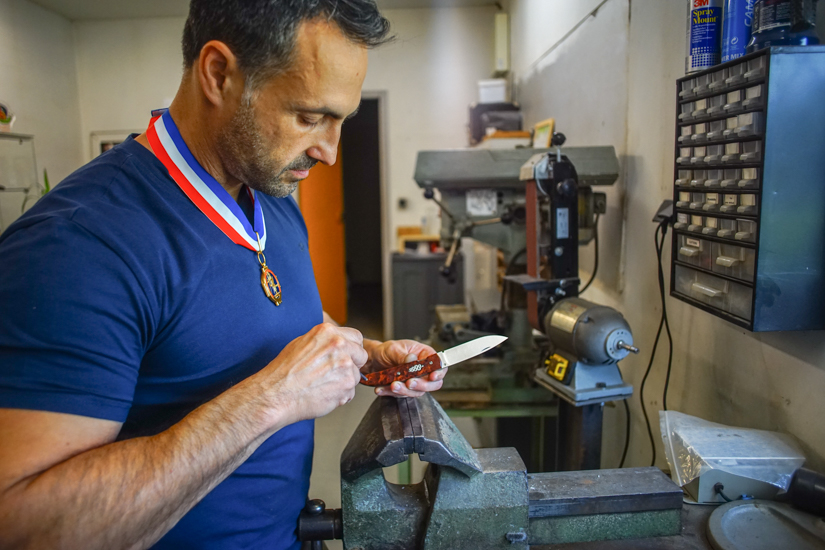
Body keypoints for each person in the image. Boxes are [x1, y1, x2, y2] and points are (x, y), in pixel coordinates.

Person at [0, 1, 446, 548]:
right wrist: (271, 398)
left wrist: (364, 354)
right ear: (218, 74)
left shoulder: (271, 192)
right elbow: (21, 526)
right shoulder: (78, 245)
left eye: (341, 121)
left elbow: (274, 312)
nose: (329, 152)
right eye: (309, 116)